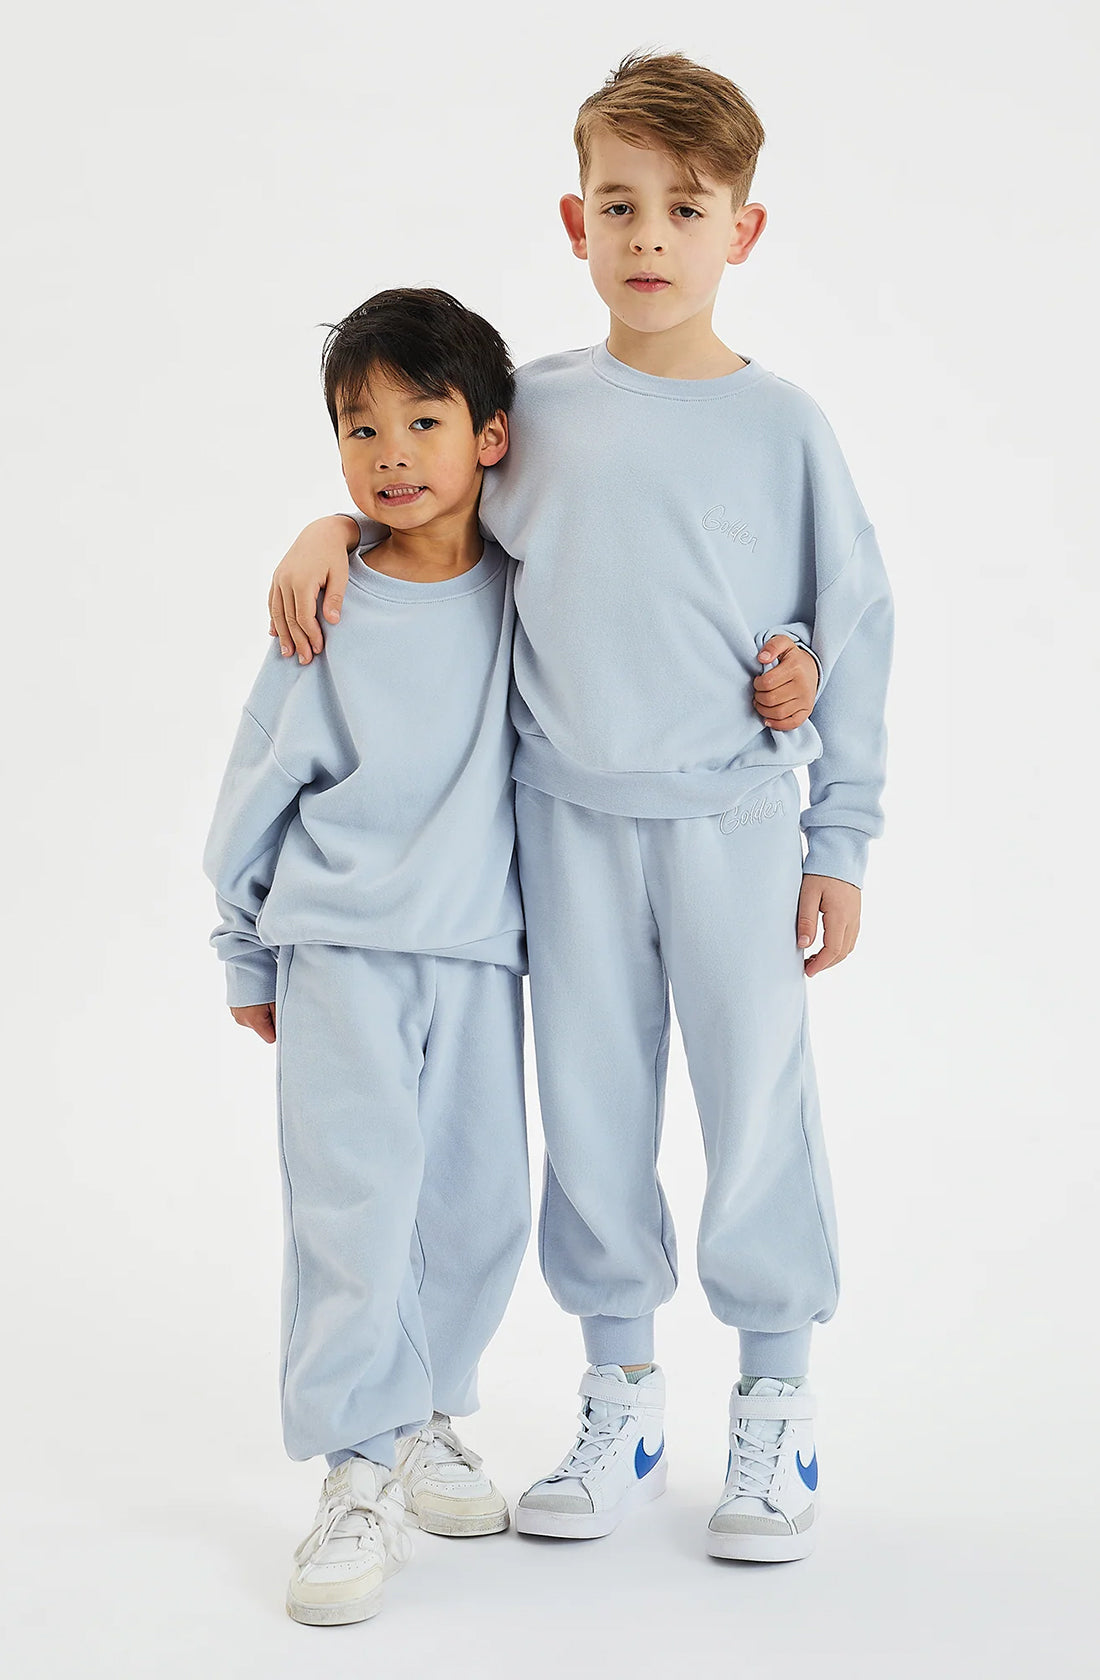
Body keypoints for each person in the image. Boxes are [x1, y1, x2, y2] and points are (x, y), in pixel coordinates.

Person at [267, 48, 884, 1565]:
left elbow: (847, 620)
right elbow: (420, 495)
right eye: (621, 205)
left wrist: (839, 823)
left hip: (737, 826)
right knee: (594, 1117)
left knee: (755, 1112)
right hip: (566, 825)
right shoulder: (525, 411)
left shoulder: (784, 425)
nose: (650, 236)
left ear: (741, 229)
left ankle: (777, 1409)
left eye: (685, 207)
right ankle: (623, 1398)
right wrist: (329, 524)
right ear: (575, 220)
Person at [203, 287, 532, 1624]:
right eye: (358, 427)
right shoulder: (322, 608)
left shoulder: (528, 590)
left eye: (422, 419)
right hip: (335, 947)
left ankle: (422, 1418)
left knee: (476, 1206)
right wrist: (242, 948)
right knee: (354, 1210)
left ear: (490, 435)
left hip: (473, 955)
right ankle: (350, 1472)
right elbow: (253, 780)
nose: (389, 451)